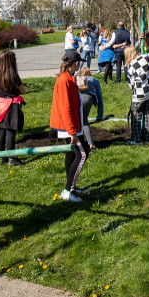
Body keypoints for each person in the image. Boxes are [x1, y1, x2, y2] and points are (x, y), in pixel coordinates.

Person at [50, 49, 95, 202]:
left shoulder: (69, 78)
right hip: (68, 127)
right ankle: (68, 191)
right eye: (79, 63)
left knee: (71, 154)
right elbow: (65, 107)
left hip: (73, 126)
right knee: (82, 155)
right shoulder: (64, 80)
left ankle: (72, 187)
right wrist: (72, 132)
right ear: (75, 63)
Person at [0, 50, 26, 166]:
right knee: (11, 130)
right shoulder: (13, 75)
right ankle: (11, 158)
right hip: (11, 105)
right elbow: (23, 91)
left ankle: (1, 156)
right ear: (11, 62)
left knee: (1, 130)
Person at [125, 45, 149, 144]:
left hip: (139, 95)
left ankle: (136, 139)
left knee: (136, 116)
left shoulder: (132, 66)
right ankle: (147, 138)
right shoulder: (148, 57)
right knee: (148, 115)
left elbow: (130, 83)